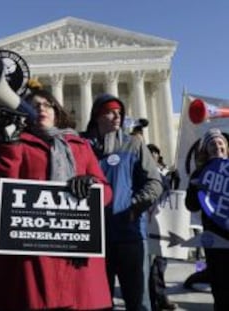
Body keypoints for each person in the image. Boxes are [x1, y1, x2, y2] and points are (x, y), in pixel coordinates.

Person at [0, 88, 113, 311]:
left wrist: (91, 185)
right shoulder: (18, 144)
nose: (41, 108)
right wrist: (9, 147)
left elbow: (106, 193)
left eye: (47, 104)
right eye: (34, 105)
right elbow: (1, 188)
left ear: (56, 111)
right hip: (34, 252)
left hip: (76, 253)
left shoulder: (79, 145)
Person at [82, 93, 163, 311]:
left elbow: (154, 183)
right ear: (97, 116)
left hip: (130, 234)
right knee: (98, 302)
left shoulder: (134, 145)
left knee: (138, 301)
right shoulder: (81, 146)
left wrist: (134, 207)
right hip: (93, 238)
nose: (117, 117)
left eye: (120, 113)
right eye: (110, 112)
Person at [185, 128, 229, 311]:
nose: (217, 146)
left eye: (220, 143)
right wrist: (196, 187)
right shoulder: (198, 174)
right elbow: (191, 205)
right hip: (214, 238)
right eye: (212, 143)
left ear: (226, 147)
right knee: (220, 286)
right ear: (206, 149)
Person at [146, 143, 178, 311]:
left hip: (162, 224)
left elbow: (170, 195)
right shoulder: (142, 172)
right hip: (148, 224)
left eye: (154, 152)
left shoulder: (164, 173)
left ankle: (160, 296)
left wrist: (174, 179)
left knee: (160, 264)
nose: (152, 155)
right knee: (152, 267)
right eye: (149, 152)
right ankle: (156, 300)